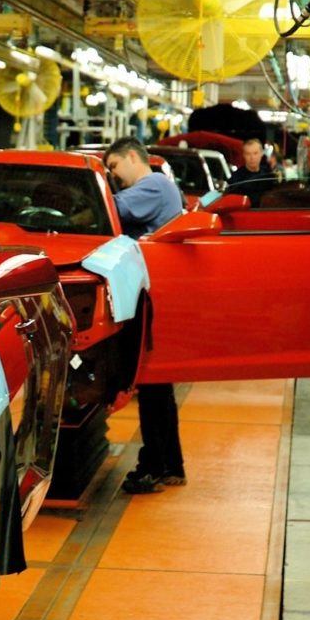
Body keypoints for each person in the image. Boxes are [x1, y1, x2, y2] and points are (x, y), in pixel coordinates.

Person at [104, 137, 187, 494]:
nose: (114, 175)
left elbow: (112, 211)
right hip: (157, 294)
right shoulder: (162, 186)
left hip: (152, 297)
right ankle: (170, 464)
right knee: (158, 387)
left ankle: (152, 465)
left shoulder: (153, 185)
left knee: (152, 384)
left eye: (114, 167)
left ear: (132, 157)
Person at [227, 138, 276, 206]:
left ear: (261, 153)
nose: (252, 157)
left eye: (255, 153)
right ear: (244, 155)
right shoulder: (236, 178)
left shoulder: (268, 174)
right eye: (248, 154)